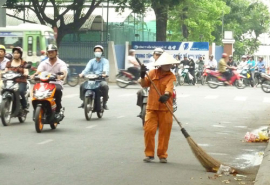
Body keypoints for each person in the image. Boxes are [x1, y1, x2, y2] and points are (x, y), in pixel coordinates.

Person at [140, 51, 177, 163]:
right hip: (151, 107)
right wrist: (142, 75)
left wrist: (166, 95)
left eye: (169, 64)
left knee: (164, 133)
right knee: (149, 130)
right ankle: (149, 154)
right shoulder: (152, 73)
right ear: (160, 64)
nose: (167, 65)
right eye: (165, 63)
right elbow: (144, 84)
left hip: (166, 108)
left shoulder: (171, 76)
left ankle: (162, 155)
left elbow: (169, 88)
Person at [31, 44, 67, 116]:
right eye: (49, 52)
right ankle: (37, 108)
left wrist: (61, 76)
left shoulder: (61, 63)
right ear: (47, 53)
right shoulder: (44, 63)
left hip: (56, 83)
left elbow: (64, 72)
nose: (50, 53)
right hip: (44, 83)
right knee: (36, 90)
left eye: (52, 52)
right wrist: (34, 75)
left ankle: (58, 109)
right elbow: (39, 71)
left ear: (56, 52)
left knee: (58, 90)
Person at [78, 45, 109, 110]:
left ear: (102, 52)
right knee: (82, 86)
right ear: (94, 52)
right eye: (96, 51)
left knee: (105, 86)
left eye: (99, 51)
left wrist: (104, 74)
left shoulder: (105, 61)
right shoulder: (91, 61)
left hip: (100, 79)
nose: (97, 52)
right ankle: (84, 101)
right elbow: (87, 69)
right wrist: (82, 74)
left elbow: (105, 69)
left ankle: (104, 103)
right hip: (91, 79)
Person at [136, 48, 163, 117]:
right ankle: (142, 109)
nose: (158, 56)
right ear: (153, 55)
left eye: (160, 55)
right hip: (150, 86)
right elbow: (143, 78)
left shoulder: (166, 65)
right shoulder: (149, 66)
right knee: (140, 92)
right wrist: (141, 77)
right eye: (156, 54)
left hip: (162, 87)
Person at [4, 47, 29, 112]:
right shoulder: (9, 63)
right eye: (14, 53)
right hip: (10, 81)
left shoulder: (24, 63)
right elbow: (5, 71)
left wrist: (25, 73)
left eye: (17, 53)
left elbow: (26, 71)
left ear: (20, 54)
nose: (16, 54)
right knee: (4, 90)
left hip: (21, 81)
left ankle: (24, 106)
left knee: (20, 92)